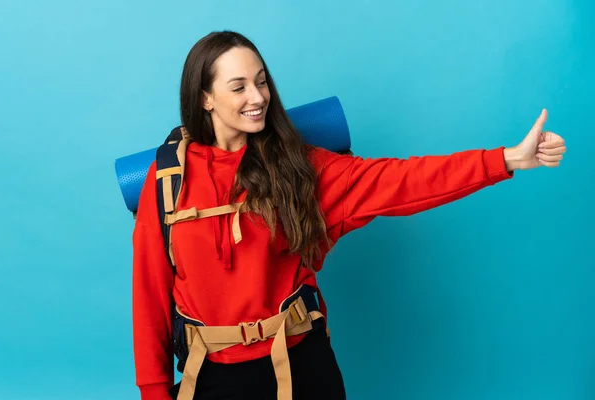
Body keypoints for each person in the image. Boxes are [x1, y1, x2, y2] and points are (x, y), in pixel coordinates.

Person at [131, 30, 566, 400]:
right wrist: (153, 390)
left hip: (301, 365)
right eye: (239, 86)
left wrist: (505, 160)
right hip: (210, 376)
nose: (258, 97)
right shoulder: (168, 179)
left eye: (262, 82)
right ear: (204, 96)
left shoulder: (301, 167)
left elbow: (405, 180)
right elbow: (150, 292)